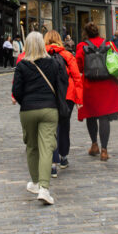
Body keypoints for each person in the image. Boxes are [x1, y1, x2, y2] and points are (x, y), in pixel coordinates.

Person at [11, 31, 68, 205]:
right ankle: (44, 188)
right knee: (46, 148)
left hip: (28, 110)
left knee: (31, 147)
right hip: (49, 109)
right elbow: (62, 85)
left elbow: (16, 91)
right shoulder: (54, 63)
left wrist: (26, 102)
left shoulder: (22, 65)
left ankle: (35, 183)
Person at [76, 22, 118, 161]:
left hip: (90, 85)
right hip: (107, 85)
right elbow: (117, 61)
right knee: (104, 117)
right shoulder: (109, 44)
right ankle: (104, 150)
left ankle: (94, 145)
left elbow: (79, 67)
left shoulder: (82, 46)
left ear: (85, 33)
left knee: (91, 116)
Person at [44, 30, 83, 176]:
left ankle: (52, 164)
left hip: (49, 94)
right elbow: (77, 77)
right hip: (68, 95)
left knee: (51, 128)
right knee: (64, 125)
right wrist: (79, 99)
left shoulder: (41, 54)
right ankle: (63, 157)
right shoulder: (67, 55)